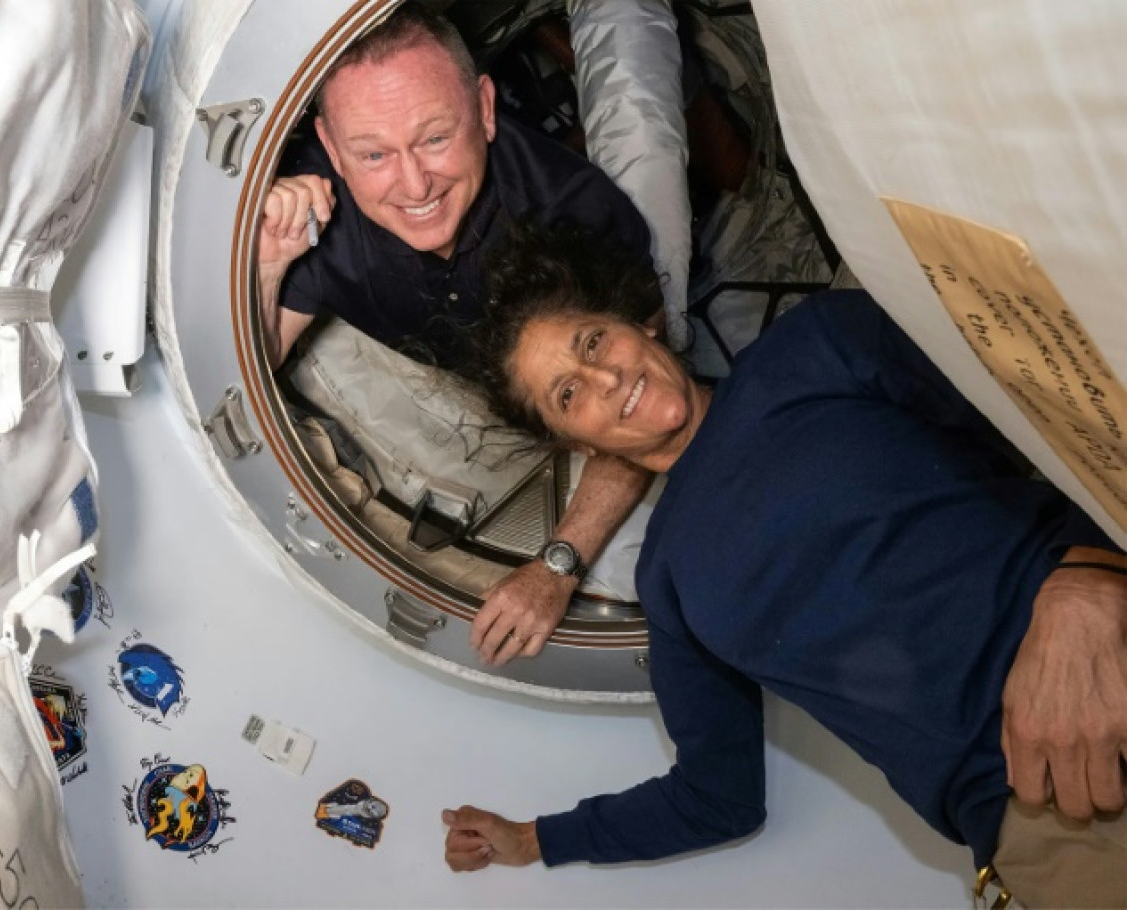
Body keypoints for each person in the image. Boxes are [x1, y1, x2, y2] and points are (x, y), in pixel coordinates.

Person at [441, 224, 1127, 908]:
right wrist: (535, 840)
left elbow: (1062, 411)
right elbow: (717, 797)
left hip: (1105, 648)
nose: (605, 377)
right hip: (1044, 815)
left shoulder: (816, 345)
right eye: (568, 394)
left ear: (640, 325)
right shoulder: (669, 582)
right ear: (575, 443)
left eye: (594, 341)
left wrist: (1091, 580)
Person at [257, 3, 664, 664]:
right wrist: (271, 259)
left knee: (644, 133)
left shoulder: (578, 216)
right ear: (331, 148)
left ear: (484, 107)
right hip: (465, 379)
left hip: (575, 381)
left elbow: (646, 409)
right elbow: (255, 358)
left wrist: (556, 566)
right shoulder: (316, 206)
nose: (414, 183)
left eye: (435, 138)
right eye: (374, 153)